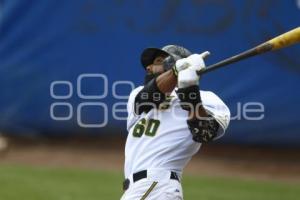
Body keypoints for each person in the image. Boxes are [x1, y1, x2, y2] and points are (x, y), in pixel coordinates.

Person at [121, 45, 230, 200]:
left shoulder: (207, 98)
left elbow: (204, 133)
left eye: (160, 61)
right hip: (144, 188)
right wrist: (176, 72)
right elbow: (147, 97)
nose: (149, 67)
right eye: (151, 63)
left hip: (157, 184)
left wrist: (191, 96)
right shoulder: (138, 94)